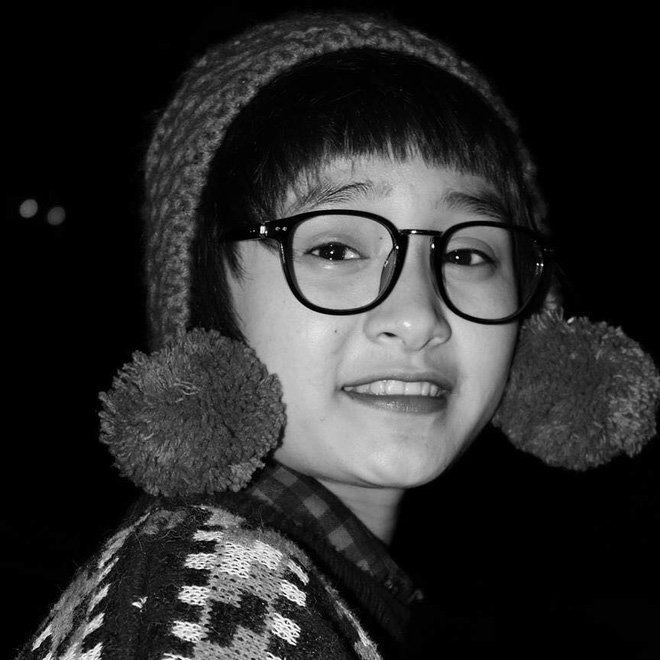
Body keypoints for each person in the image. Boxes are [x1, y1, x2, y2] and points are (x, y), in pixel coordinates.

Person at [16, 10, 659, 660]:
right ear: (207, 296)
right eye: (335, 250)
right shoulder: (207, 598)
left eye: (467, 255)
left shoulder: (309, 584)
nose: (418, 317)